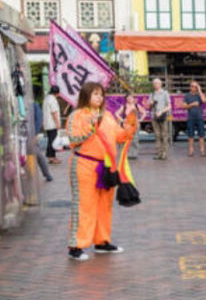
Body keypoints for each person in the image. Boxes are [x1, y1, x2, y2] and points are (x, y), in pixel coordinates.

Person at [66, 81, 135, 261]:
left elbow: (119, 136)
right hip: (84, 164)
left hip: (105, 166)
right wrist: (91, 126)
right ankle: (77, 245)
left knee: (105, 206)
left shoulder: (108, 116)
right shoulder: (77, 115)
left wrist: (129, 129)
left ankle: (102, 241)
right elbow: (74, 139)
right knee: (85, 205)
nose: (99, 97)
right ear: (86, 95)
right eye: (95, 94)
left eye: (101, 94)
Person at [115, 94, 146, 160]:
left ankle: (134, 154)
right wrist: (122, 120)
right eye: (128, 98)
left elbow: (144, 112)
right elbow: (116, 113)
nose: (130, 99)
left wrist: (140, 119)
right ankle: (127, 153)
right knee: (127, 140)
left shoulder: (136, 106)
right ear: (126, 99)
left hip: (135, 125)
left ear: (133, 98)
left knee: (135, 139)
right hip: (127, 126)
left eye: (131, 98)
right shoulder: (124, 106)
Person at [148, 78, 171, 160]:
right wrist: (151, 104)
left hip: (163, 116)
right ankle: (158, 153)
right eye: (154, 84)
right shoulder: (152, 94)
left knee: (164, 135)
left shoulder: (165, 93)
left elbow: (169, 106)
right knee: (157, 135)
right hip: (154, 116)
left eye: (157, 83)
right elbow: (149, 107)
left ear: (160, 84)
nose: (155, 85)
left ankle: (164, 153)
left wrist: (161, 111)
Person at [184, 81, 206, 157]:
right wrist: (192, 104)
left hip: (199, 117)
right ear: (190, 87)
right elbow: (184, 107)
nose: (194, 88)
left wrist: (199, 90)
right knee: (190, 135)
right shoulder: (187, 95)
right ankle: (191, 151)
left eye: (195, 86)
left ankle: (202, 150)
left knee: (201, 135)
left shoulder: (199, 95)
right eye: (192, 86)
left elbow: (204, 100)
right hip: (191, 118)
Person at [32, 101, 53, 182]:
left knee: (38, 155)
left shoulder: (33, 105)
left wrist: (35, 133)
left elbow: (38, 119)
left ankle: (47, 174)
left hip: (31, 134)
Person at [43, 85, 61, 164]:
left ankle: (51, 156)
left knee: (50, 140)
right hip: (52, 123)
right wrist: (57, 123)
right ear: (57, 93)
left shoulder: (47, 98)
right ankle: (52, 157)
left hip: (48, 123)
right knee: (52, 141)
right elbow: (54, 112)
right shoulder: (52, 100)